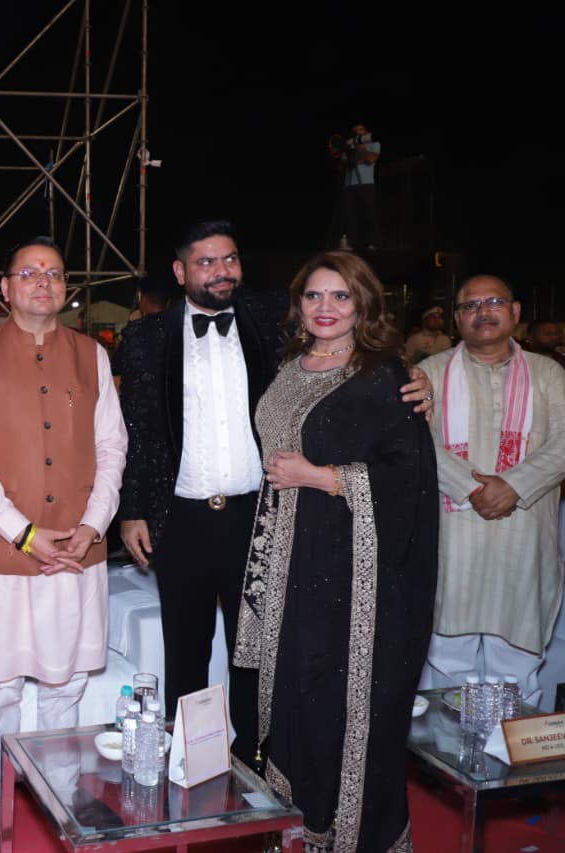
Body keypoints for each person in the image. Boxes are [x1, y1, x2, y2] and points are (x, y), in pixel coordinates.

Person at [114, 220, 432, 769]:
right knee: (184, 649)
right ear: (180, 271)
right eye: (207, 262)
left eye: (230, 259)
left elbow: (347, 350)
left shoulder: (271, 319)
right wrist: (132, 510)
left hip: (262, 515)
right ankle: (193, 764)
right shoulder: (144, 337)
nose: (222, 271)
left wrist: (418, 379)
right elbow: (137, 432)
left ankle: (256, 760)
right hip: (180, 518)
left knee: (260, 649)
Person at [234, 251, 437, 851]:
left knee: (336, 704)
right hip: (289, 564)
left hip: (353, 576)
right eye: (314, 295)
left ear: (364, 304)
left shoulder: (385, 377)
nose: (326, 307)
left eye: (341, 296)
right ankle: (304, 830)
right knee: (295, 697)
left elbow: (411, 478)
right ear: (298, 304)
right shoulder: (288, 364)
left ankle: (351, 837)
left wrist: (323, 477)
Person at [0, 238, 125, 851]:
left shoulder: (92, 356)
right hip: (3, 550)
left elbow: (113, 446)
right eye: (29, 273)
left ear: (66, 287)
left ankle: (62, 787)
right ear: (5, 288)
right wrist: (22, 533)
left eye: (54, 273)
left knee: (64, 681)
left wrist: (93, 525)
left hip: (77, 545)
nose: (43, 282)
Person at [417, 275, 565, 706]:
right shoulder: (429, 372)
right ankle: (446, 748)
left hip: (524, 543)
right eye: (470, 305)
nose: (482, 312)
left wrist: (515, 485)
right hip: (452, 541)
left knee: (516, 662)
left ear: (515, 312)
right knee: (446, 659)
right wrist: (469, 486)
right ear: (457, 318)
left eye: (494, 302)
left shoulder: (549, 373)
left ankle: (507, 746)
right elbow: (414, 441)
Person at [328, 122, 383, 250]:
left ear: (366, 131)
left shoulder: (374, 144)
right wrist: (346, 155)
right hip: (349, 185)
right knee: (350, 215)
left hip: (366, 184)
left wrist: (361, 146)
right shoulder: (349, 146)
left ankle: (372, 242)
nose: (358, 132)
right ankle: (351, 243)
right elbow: (341, 167)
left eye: (361, 129)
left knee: (369, 213)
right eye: (355, 131)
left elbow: (370, 160)